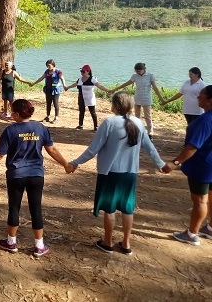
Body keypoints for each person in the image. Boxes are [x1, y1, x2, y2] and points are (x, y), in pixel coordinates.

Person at [66, 92, 167, 255]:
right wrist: (161, 164)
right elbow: (150, 148)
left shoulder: (109, 123)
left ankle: (108, 242)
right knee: (128, 208)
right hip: (130, 173)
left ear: (116, 106)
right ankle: (126, 244)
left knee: (110, 209)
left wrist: (74, 163)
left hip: (110, 173)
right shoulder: (138, 123)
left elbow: (93, 149)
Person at [0, 99, 68, 257]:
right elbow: (52, 150)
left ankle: (11, 242)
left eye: (12, 112)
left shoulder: (11, 131)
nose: (11, 115)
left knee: (14, 207)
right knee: (35, 208)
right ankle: (39, 245)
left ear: (16, 114)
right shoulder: (41, 128)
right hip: (36, 175)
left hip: (16, 175)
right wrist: (65, 164)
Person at [164, 86, 212, 246]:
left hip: (202, 166)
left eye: (202, 96)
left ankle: (192, 234)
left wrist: (175, 163)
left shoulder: (206, 120)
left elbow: (193, 147)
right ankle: (210, 228)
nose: (198, 98)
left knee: (200, 200)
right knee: (210, 197)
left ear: (210, 100)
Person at [112, 63, 164, 139]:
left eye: (139, 71)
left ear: (144, 69)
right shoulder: (135, 76)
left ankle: (150, 133)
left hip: (146, 98)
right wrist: (115, 89)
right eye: (136, 71)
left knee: (147, 116)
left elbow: (155, 88)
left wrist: (161, 99)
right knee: (137, 116)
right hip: (137, 98)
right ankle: (138, 131)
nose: (138, 72)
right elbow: (126, 83)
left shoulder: (150, 76)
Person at [65, 64, 111, 132]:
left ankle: (96, 127)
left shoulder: (92, 79)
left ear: (88, 71)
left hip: (90, 98)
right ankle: (80, 125)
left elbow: (99, 86)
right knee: (81, 111)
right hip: (81, 97)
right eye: (81, 71)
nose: (82, 73)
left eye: (83, 71)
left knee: (92, 112)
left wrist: (107, 90)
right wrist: (67, 87)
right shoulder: (80, 79)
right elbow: (75, 84)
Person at [30, 59, 67, 124]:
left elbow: (62, 78)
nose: (48, 67)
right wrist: (34, 83)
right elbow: (41, 78)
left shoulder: (58, 71)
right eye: (47, 66)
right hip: (48, 89)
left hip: (55, 90)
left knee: (55, 103)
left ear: (53, 65)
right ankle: (47, 116)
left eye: (49, 65)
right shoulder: (47, 71)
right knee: (48, 103)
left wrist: (64, 85)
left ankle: (56, 117)